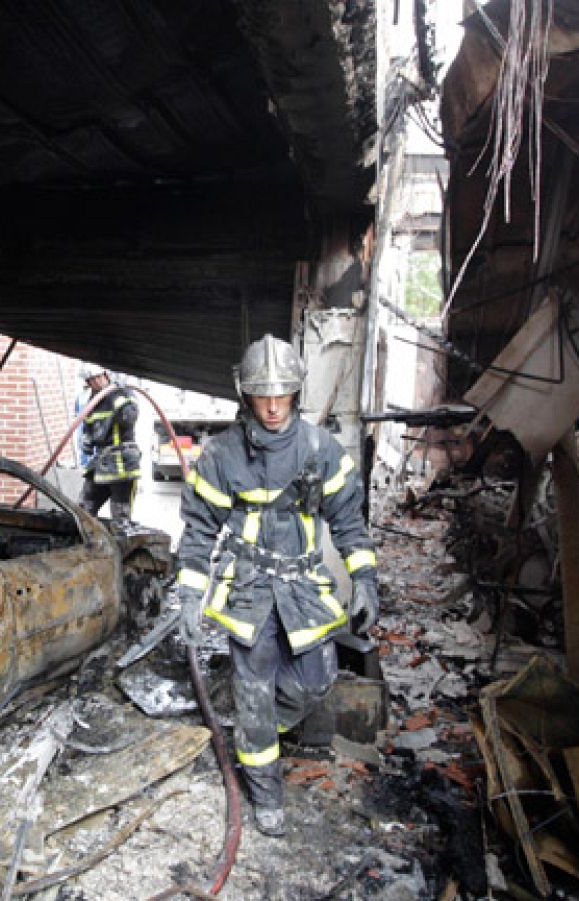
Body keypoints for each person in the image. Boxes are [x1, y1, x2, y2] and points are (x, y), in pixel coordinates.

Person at [171, 334, 379, 837]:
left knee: (315, 681)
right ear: (245, 393)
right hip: (249, 589)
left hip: (304, 588)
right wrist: (191, 594)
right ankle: (264, 789)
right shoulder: (221, 455)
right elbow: (199, 530)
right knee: (255, 690)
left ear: (296, 393)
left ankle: (255, 728)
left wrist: (365, 579)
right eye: (262, 394)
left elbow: (349, 521)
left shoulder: (320, 449)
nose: (271, 405)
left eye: (281, 393)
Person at [77, 368, 141, 521]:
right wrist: (86, 439)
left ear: (106, 375)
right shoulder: (93, 401)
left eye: (98, 377)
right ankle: (87, 541)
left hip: (122, 465)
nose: (96, 382)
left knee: (120, 516)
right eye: (91, 380)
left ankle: (119, 542)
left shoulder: (122, 394)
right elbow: (88, 427)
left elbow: (129, 418)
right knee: (84, 508)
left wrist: (116, 394)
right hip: (100, 464)